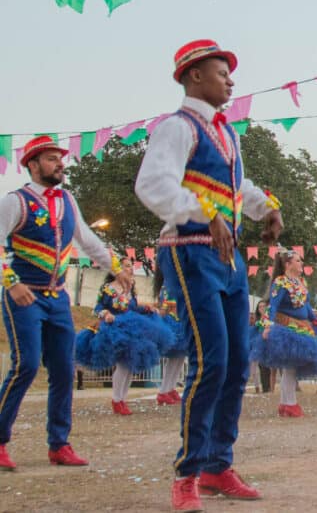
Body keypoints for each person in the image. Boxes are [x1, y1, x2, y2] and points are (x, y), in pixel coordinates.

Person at [135, 39, 284, 511]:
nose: (231, 81)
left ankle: (219, 464)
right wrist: (202, 212)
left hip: (228, 258)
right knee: (211, 361)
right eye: (223, 73)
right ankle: (188, 472)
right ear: (195, 75)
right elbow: (152, 184)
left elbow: (235, 187)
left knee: (239, 362)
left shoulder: (227, 134)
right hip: (190, 250)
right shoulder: (176, 128)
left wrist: (266, 208)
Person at [0, 135, 116, 471]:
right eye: (51, 159)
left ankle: (59, 444)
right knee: (26, 364)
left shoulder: (68, 200)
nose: (59, 164)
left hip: (58, 298)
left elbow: (89, 241)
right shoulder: (14, 202)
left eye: (59, 158)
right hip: (25, 296)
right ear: (32, 165)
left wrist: (118, 269)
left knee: (65, 369)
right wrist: (12, 283)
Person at [75, 257, 172, 414]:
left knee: (128, 366)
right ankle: (117, 399)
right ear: (117, 270)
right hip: (115, 329)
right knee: (122, 366)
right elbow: (97, 307)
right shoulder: (107, 289)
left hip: (132, 328)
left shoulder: (131, 287)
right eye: (127, 266)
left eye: (131, 266)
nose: (130, 269)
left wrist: (146, 308)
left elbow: (132, 308)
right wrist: (105, 314)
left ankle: (122, 399)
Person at [251, 250, 317, 417]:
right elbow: (272, 306)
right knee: (290, 366)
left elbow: (306, 305)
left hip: (302, 328)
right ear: (288, 264)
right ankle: (290, 403)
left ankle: (285, 403)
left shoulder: (301, 282)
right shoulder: (280, 283)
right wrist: (267, 326)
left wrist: (315, 321)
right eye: (297, 261)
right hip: (287, 329)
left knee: (292, 367)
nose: (301, 263)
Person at [155, 256, 187, 405]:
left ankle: (171, 387)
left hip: (181, 320)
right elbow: (166, 303)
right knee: (173, 357)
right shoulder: (168, 284)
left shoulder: (181, 282)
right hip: (172, 321)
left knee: (180, 357)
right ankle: (163, 390)